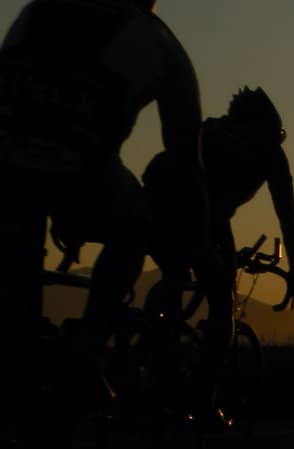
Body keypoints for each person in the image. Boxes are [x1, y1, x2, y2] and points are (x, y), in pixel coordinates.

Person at [0, 0, 205, 403]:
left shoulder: (38, 11)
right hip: (79, 170)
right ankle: (87, 350)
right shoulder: (159, 40)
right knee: (136, 225)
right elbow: (186, 164)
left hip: (10, 167)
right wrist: (199, 240)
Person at [143, 84, 294, 364]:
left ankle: (155, 349)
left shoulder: (207, 132)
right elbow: (287, 216)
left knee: (172, 282)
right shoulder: (267, 152)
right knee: (222, 304)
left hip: (154, 204)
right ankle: (204, 398)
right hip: (200, 215)